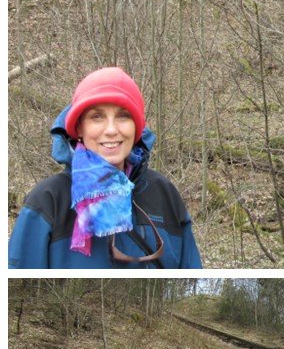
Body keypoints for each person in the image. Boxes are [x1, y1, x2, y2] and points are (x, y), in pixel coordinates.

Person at [8, 66, 202, 268]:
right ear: (79, 128)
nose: (111, 130)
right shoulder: (49, 200)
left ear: (136, 127)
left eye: (123, 116)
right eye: (97, 117)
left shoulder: (164, 193)